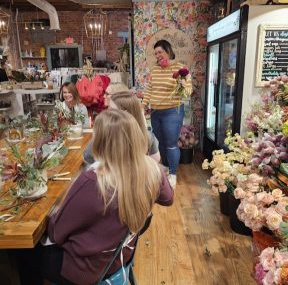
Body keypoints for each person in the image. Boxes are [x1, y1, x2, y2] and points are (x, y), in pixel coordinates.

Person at [15, 109, 173, 285]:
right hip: (118, 255)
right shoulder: (152, 171)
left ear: (100, 141)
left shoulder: (94, 181)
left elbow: (56, 232)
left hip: (87, 269)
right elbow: (168, 199)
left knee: (23, 250)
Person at [142, 39, 192, 188]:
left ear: (168, 51)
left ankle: (173, 174)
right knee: (160, 143)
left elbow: (188, 91)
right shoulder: (155, 70)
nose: (157, 55)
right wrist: (143, 105)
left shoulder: (180, 68)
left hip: (172, 112)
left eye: (160, 52)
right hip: (156, 112)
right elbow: (150, 90)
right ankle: (164, 169)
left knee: (170, 144)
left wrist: (183, 85)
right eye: (155, 53)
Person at [84, 91, 160, 163]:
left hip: (111, 175)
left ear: (125, 112)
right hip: (139, 175)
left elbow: (87, 157)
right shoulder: (148, 136)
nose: (108, 111)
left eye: (111, 109)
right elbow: (155, 160)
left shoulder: (106, 135)